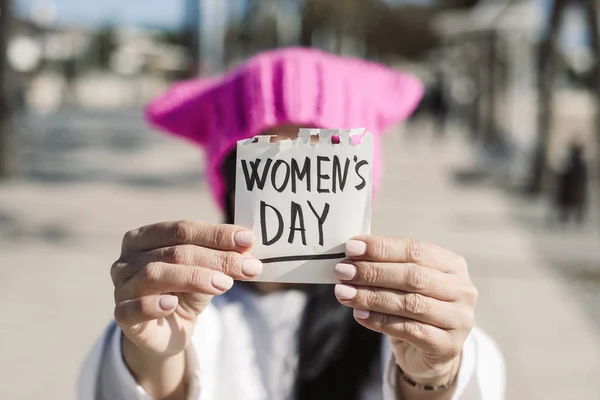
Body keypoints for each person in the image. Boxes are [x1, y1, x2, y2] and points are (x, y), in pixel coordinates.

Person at [78, 47, 505, 400]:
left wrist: (436, 369)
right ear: (230, 183)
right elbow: (141, 376)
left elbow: (470, 377)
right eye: (267, 167)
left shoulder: (389, 314)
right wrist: (152, 353)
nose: (294, 193)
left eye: (320, 166)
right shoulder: (195, 306)